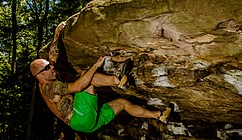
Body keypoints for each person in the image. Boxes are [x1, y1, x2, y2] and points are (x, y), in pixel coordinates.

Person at [29, 51, 172, 134]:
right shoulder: (50, 87)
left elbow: (52, 58)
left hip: (87, 125)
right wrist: (96, 65)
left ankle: (159, 115)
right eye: (48, 67)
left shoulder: (44, 83)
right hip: (79, 117)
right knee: (86, 77)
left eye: (50, 65)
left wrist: (58, 32)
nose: (52, 67)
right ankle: (118, 80)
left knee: (123, 104)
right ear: (39, 75)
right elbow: (78, 87)